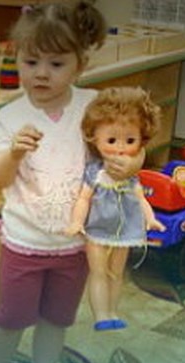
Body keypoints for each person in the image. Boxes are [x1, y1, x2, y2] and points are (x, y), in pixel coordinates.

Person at [0, 1, 141, 363]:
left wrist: (131, 164)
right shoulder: (11, 116)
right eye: (31, 62)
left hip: (76, 244)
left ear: (80, 65)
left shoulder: (95, 108)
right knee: (10, 318)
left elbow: (129, 145)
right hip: (24, 242)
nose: (41, 73)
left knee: (57, 318)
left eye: (56, 63)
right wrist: (13, 154)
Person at [63, 87, 165, 331]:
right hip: (97, 230)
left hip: (125, 230)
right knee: (98, 271)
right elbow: (83, 199)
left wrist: (150, 218)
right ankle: (101, 315)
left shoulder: (130, 176)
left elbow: (140, 198)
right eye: (111, 140)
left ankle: (112, 311)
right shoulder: (95, 172)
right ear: (94, 138)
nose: (120, 148)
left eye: (130, 141)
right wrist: (77, 221)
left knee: (116, 273)